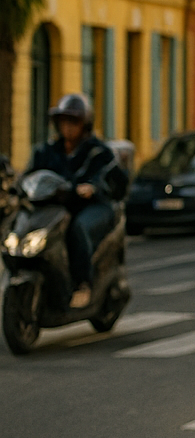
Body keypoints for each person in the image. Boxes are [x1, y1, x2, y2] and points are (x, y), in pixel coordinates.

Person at [25, 94, 128, 307]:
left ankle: (83, 284)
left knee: (77, 228)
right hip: (58, 206)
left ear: (85, 124)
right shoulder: (47, 151)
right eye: (63, 121)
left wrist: (95, 187)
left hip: (95, 206)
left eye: (73, 122)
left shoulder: (98, 152)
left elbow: (114, 181)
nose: (68, 127)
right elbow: (30, 175)